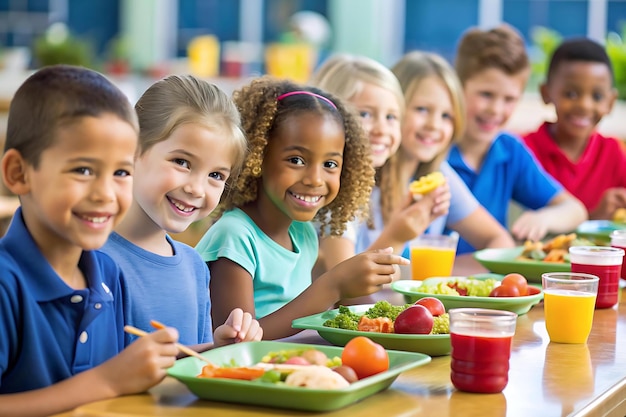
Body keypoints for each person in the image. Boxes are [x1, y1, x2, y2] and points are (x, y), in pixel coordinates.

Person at [0, 65, 177, 416]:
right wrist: (106, 382)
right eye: (83, 170)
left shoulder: (108, 275)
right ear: (19, 173)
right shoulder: (6, 284)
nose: (105, 194)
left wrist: (211, 349)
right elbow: (112, 380)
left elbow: (127, 380)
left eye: (121, 172)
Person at [195, 76, 409, 340]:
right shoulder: (234, 236)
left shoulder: (303, 233)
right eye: (296, 160)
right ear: (256, 157)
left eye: (330, 164)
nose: (315, 179)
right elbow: (237, 342)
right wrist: (333, 286)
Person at [101, 75, 263, 350]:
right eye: (182, 162)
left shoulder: (195, 266)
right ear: (132, 150)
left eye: (215, 174)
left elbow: (186, 365)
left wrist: (219, 347)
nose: (197, 189)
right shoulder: (92, 260)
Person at [309, 54, 450, 285]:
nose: (382, 129)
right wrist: (398, 234)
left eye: (391, 117)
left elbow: (382, 280)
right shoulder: (330, 193)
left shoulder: (358, 188)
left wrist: (403, 227)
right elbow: (348, 291)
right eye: (365, 114)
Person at [449, 24, 587, 253]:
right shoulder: (432, 150)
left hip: (489, 284)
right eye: (486, 94)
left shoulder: (509, 151)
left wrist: (543, 218)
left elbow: (575, 210)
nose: (496, 109)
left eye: (509, 99)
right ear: (457, 87)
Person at [391, 51, 515, 256]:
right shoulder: (365, 181)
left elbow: (500, 241)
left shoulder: (439, 176)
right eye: (422, 109)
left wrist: (441, 276)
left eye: (446, 115)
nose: (434, 125)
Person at [523, 37, 626, 220]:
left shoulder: (613, 152)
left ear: (610, 102)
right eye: (571, 94)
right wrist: (594, 219)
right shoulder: (524, 151)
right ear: (546, 93)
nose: (584, 105)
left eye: (597, 96)